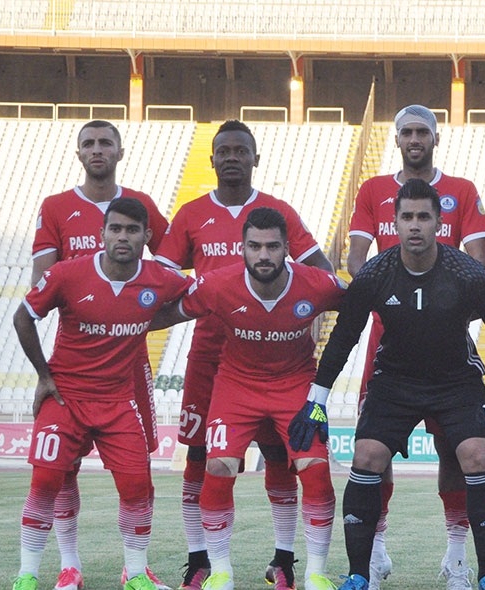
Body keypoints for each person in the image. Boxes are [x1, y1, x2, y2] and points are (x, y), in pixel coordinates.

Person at [289, 178, 485, 590]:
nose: (415, 225)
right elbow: (343, 337)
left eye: (423, 217)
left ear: (438, 223)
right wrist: (316, 399)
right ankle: (360, 574)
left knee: (478, 456)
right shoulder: (376, 273)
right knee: (367, 455)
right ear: (394, 223)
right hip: (395, 381)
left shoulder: (466, 273)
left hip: (456, 381)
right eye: (407, 217)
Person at [154, 120, 334, 590]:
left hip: (278, 353)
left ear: (256, 158)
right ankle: (202, 562)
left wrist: (307, 312)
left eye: (241, 150)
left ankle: (284, 561)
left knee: (281, 453)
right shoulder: (192, 214)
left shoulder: (278, 212)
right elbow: (162, 278)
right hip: (211, 356)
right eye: (224, 150)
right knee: (201, 457)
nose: (232, 157)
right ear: (212, 158)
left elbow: (322, 273)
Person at [346, 104, 485, 590]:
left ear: (435, 138)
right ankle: (376, 552)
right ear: (396, 139)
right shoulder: (372, 190)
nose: (414, 139)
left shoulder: (462, 191)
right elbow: (355, 260)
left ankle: (456, 556)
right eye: (406, 131)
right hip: (388, 338)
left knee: (456, 447)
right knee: (375, 449)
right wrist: (395, 295)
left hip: (447, 339)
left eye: (421, 132)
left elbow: (478, 264)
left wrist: (441, 305)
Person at [12, 198, 190, 590]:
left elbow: (198, 297)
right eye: (115, 229)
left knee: (138, 488)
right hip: (65, 398)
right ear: (102, 234)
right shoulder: (67, 274)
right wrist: (43, 375)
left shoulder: (160, 278)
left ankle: (136, 574)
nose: (123, 237)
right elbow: (23, 316)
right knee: (46, 481)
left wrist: (153, 318)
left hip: (118, 402)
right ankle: (29, 575)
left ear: (146, 236)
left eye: (132, 230)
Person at [29, 119, 172, 590]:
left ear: (119, 151)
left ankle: (136, 567)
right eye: (88, 143)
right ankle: (69, 564)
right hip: (75, 357)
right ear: (78, 153)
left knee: (138, 469)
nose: (97, 150)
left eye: (105, 142)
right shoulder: (55, 207)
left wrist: (135, 310)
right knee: (59, 469)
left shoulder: (142, 204)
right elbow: (41, 283)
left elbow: (171, 265)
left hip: (130, 361)